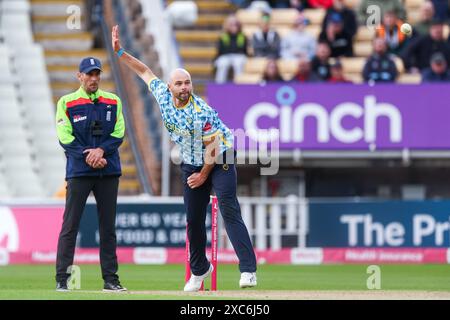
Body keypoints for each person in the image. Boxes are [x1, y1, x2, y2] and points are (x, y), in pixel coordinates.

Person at [111, 25, 257, 291]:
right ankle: (199, 270)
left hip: (219, 155)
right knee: (193, 218)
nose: (184, 87)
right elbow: (145, 71)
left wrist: (203, 175)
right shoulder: (163, 96)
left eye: (187, 83)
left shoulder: (200, 110)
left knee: (227, 206)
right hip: (191, 160)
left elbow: (213, 147)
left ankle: (248, 270)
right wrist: (121, 52)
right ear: (170, 86)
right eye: (179, 83)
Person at [55, 57, 126, 292]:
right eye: (89, 74)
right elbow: (65, 137)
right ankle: (62, 280)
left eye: (97, 74)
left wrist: (100, 151)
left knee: (108, 228)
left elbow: (119, 133)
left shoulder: (113, 101)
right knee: (70, 225)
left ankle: (111, 280)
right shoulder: (66, 102)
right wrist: (90, 156)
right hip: (79, 172)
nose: (94, 78)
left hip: (108, 170)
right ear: (80, 76)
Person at [214, 15, 248, 83]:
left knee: (238, 63)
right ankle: (219, 85)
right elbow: (221, 51)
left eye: (235, 24)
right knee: (222, 63)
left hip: (239, 56)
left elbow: (243, 50)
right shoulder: (223, 36)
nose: (234, 26)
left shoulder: (242, 36)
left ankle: (239, 84)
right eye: (231, 24)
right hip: (225, 56)